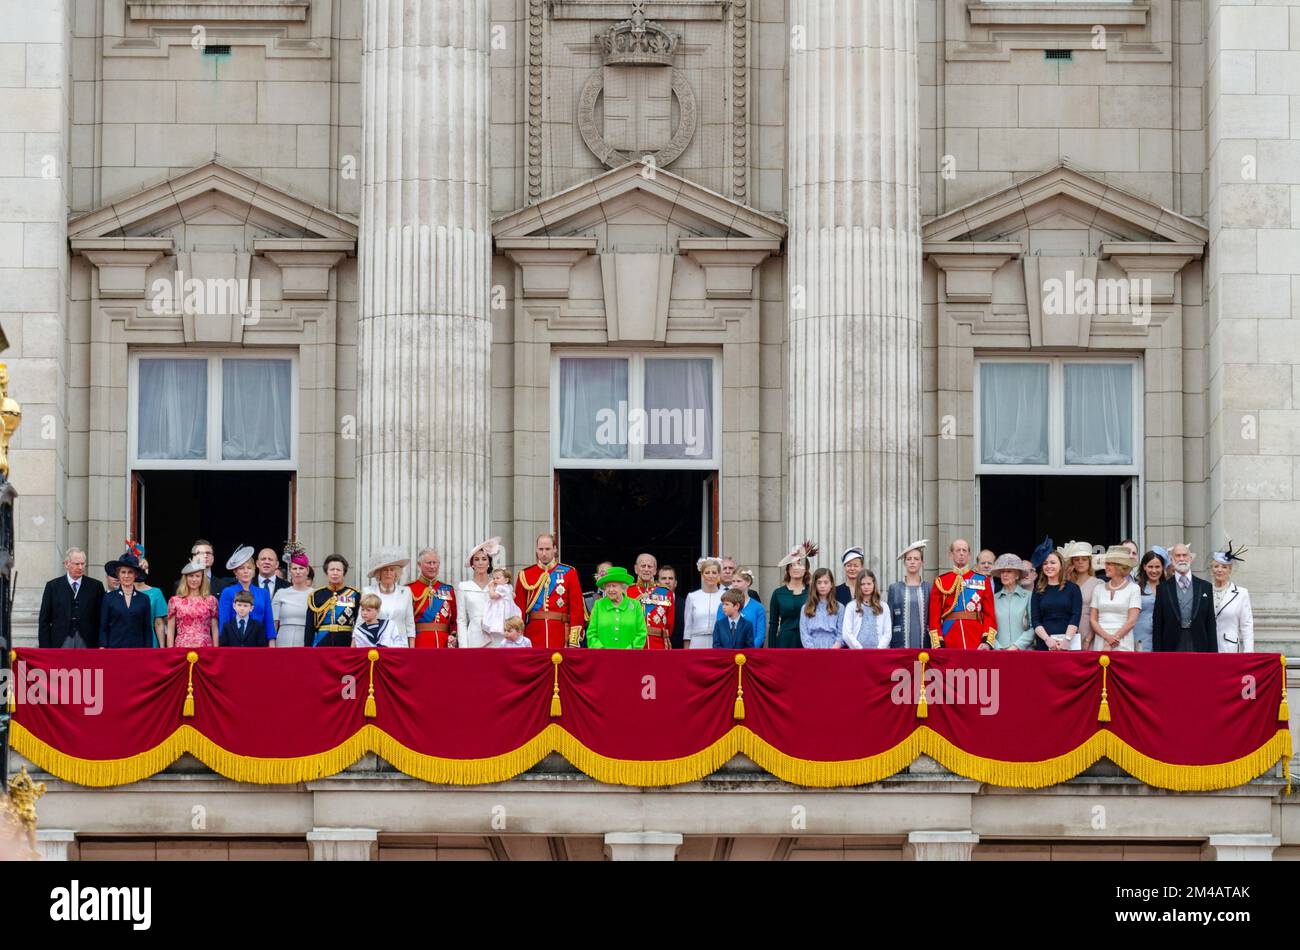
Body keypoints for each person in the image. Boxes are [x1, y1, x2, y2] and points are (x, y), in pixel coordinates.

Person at [515, 533, 585, 649]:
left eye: (547, 549)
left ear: (555, 549)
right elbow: (519, 610)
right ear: (536, 550)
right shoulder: (525, 574)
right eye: (540, 549)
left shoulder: (569, 573)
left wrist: (573, 640)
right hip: (533, 635)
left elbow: (577, 609)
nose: (544, 553)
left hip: (561, 634)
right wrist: (518, 638)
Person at [928, 539, 996, 650]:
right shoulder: (940, 581)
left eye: (964, 550)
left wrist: (987, 641)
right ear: (951, 555)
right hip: (950, 637)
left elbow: (990, 615)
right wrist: (938, 643)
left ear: (969, 555)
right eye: (957, 550)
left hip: (976, 639)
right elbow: (934, 618)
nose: (961, 553)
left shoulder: (983, 580)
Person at [1152, 543, 1217, 652]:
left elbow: (1210, 623)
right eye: (1178, 555)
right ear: (1172, 560)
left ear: (1190, 558)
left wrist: (1213, 654)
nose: (1182, 559)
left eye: (1185, 555)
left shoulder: (1205, 587)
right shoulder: (1162, 589)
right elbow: (1158, 624)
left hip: (1199, 645)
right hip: (1171, 646)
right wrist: (1158, 654)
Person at [38, 547, 104, 648]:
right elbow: (44, 620)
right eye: (77, 564)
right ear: (66, 564)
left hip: (88, 643)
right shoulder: (53, 586)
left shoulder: (96, 586)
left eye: (83, 563)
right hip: (60, 642)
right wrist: (45, 647)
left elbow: (101, 619)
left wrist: (102, 644)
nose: (81, 567)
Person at [99, 550, 157, 648]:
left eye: (130, 572)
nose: (126, 576)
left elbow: (147, 628)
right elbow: (103, 626)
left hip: (138, 651)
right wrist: (102, 647)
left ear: (136, 575)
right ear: (118, 575)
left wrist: (148, 651)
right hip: (114, 650)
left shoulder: (144, 599)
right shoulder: (108, 598)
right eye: (123, 572)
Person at [1088, 546, 1142, 651]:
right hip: (1101, 640)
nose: (1105, 567)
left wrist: (1113, 640)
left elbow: (1131, 621)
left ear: (1119, 566)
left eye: (1109, 564)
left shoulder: (1134, 588)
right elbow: (1093, 620)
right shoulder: (1098, 588)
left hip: (1123, 641)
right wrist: (1107, 638)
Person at [361, 548, 415, 647]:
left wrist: (412, 649)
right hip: (375, 644)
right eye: (384, 570)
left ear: (396, 573)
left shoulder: (406, 592)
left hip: (400, 645)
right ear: (379, 573)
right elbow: (360, 621)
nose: (388, 573)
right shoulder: (368, 591)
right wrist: (353, 647)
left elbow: (410, 623)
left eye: (392, 570)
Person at [585, 567, 648, 649]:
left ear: (623, 587)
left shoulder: (635, 605)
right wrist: (602, 651)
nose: (611, 589)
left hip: (630, 657)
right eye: (608, 586)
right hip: (603, 658)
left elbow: (641, 632)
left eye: (614, 586)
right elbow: (591, 634)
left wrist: (630, 650)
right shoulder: (598, 605)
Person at [1031, 550, 1082, 651]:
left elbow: (1075, 616)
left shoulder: (1073, 588)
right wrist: (1047, 639)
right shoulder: (1038, 590)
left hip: (1068, 643)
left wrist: (1067, 640)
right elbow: (1035, 620)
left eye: (1052, 562)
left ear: (1061, 565)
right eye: (1045, 563)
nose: (1048, 566)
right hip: (1045, 642)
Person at [217, 544, 274, 632]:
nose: (246, 571)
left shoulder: (263, 593)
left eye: (249, 568)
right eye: (241, 568)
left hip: (259, 642)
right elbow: (223, 624)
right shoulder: (228, 592)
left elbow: (269, 623)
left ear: (254, 571)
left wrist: (271, 642)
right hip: (234, 642)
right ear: (235, 572)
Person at [307, 554, 361, 647]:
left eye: (338, 570)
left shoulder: (354, 594)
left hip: (345, 643)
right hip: (322, 642)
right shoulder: (316, 595)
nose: (335, 573)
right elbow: (310, 626)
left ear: (344, 572)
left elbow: (358, 623)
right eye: (332, 569)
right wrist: (307, 648)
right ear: (326, 572)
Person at [769, 541, 815, 648]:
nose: (795, 568)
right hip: (785, 641)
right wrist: (771, 649)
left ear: (806, 569)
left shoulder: (813, 592)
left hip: (808, 641)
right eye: (792, 565)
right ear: (788, 569)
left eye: (799, 564)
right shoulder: (778, 593)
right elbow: (773, 624)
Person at [410, 548, 458, 648]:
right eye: (428, 563)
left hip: (444, 643)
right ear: (419, 565)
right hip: (420, 643)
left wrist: (453, 636)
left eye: (435, 563)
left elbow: (455, 620)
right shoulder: (410, 589)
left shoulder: (448, 589)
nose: (432, 566)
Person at [459, 538, 503, 648]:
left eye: (484, 559)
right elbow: (461, 620)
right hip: (474, 638)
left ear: (489, 563)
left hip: (496, 636)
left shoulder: (498, 585)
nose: (480, 562)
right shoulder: (463, 587)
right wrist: (463, 647)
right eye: (476, 559)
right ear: (472, 564)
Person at [166, 558, 219, 649]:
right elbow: (170, 630)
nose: (194, 579)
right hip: (181, 648)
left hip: (205, 648)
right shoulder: (175, 600)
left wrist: (216, 651)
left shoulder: (211, 600)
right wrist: (170, 652)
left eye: (197, 576)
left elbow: (214, 629)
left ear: (202, 579)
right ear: (185, 578)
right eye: (191, 576)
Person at [1211, 542, 1253, 653]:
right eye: (1216, 566)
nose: (1219, 570)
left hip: (1230, 649)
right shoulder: (1204, 591)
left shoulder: (1241, 593)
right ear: (1212, 570)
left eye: (1224, 567)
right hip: (1208, 648)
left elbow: (1246, 626)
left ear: (1230, 570)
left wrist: (1248, 654)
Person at [887, 540, 930, 649]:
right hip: (899, 643)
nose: (912, 562)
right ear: (904, 562)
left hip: (925, 643)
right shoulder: (894, 588)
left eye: (916, 559)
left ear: (922, 562)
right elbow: (889, 620)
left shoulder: (929, 588)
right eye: (909, 559)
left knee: (921, 666)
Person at [628, 552, 675, 650]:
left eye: (650, 566)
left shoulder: (666, 593)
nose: (646, 569)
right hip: (632, 644)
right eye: (643, 566)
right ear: (636, 569)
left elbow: (670, 626)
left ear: (655, 571)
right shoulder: (627, 592)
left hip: (658, 645)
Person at [272, 543, 314, 648]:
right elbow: (274, 623)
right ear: (290, 571)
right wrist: (271, 647)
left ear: (307, 571)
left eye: (301, 568)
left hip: (306, 640)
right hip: (283, 640)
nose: (298, 572)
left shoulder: (315, 594)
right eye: (295, 569)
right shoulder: (280, 593)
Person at [1061, 540, 1099, 650]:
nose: (1080, 562)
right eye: (1076, 559)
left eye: (1084, 559)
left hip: (1089, 628)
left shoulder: (1098, 584)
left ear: (1090, 561)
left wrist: (1089, 638)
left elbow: (1098, 614)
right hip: (1068, 628)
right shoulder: (1067, 584)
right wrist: (1065, 576)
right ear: (1072, 563)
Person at [991, 553, 1032, 650]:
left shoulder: (1028, 596)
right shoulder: (993, 599)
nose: (1004, 574)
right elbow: (989, 628)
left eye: (1009, 571)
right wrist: (998, 647)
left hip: (1023, 652)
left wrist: (1016, 646)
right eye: (1002, 572)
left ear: (1017, 575)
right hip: (999, 653)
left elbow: (1034, 626)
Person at [842, 570, 890, 649]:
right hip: (857, 653)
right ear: (858, 586)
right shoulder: (851, 606)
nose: (866, 587)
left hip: (878, 653)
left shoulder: (884, 607)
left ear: (874, 584)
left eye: (869, 584)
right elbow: (846, 633)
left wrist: (879, 649)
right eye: (862, 584)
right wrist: (859, 649)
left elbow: (887, 633)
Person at [684, 557, 725, 648]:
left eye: (714, 573)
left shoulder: (725, 596)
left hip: (719, 642)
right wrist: (686, 649)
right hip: (697, 642)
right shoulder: (692, 596)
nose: (711, 576)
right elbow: (688, 626)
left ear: (719, 575)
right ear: (702, 575)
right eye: (707, 572)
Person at [132, 551, 169, 648]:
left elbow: (159, 622)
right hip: (126, 642)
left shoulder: (156, 592)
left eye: (146, 567)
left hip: (150, 642)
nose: (143, 570)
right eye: (140, 567)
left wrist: (161, 648)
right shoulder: (122, 592)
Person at [800, 567, 843, 648]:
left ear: (831, 585)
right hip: (812, 648)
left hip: (833, 648)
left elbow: (841, 632)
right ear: (814, 585)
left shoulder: (840, 607)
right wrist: (812, 650)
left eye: (826, 582)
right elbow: (804, 633)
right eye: (819, 583)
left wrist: (835, 647)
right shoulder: (806, 607)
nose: (822, 586)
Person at [1133, 549, 1166, 652]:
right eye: (1150, 567)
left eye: (1157, 567)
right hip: (1140, 637)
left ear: (1163, 567)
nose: (1154, 570)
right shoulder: (1136, 588)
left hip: (1162, 637)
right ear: (1144, 567)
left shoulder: (1168, 588)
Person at [725, 568, 767, 648]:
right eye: (733, 581)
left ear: (748, 582)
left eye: (739, 581)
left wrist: (749, 648)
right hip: (728, 652)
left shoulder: (758, 607)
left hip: (751, 652)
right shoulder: (724, 605)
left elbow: (760, 635)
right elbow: (721, 630)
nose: (735, 584)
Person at [481, 568, 522, 645]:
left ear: (506, 580)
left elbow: (493, 596)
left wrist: (490, 588)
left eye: (498, 578)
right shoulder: (509, 587)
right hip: (509, 611)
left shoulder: (501, 588)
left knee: (490, 621)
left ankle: (488, 636)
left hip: (500, 611)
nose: (495, 580)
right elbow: (514, 595)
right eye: (493, 578)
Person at [657, 564, 686, 649]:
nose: (667, 581)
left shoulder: (685, 603)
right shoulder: (651, 603)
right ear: (657, 583)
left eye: (670, 578)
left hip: (679, 651)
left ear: (675, 583)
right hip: (657, 649)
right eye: (663, 578)